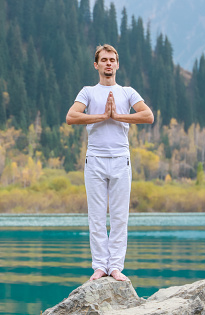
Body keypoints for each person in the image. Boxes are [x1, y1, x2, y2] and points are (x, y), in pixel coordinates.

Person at [66, 44, 154, 281]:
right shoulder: (87, 92)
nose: (108, 63)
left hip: (120, 160)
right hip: (94, 160)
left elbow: (148, 115)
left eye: (112, 59)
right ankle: (99, 267)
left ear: (117, 64)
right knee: (96, 216)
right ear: (96, 65)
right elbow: (71, 116)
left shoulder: (127, 92)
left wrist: (117, 116)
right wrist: (102, 116)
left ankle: (115, 267)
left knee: (119, 216)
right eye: (103, 60)